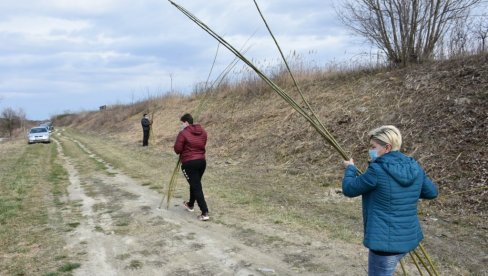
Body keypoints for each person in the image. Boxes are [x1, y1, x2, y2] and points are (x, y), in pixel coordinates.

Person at [342, 125, 438, 276]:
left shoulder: (376, 170)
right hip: (408, 240)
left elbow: (349, 189)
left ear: (387, 147)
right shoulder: (415, 167)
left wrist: (350, 169)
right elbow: (431, 192)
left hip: (384, 245)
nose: (371, 150)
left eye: (373, 147)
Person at [174, 113, 209, 221]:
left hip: (189, 163)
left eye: (182, 123)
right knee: (194, 183)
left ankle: (205, 212)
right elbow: (202, 144)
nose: (181, 125)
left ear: (186, 122)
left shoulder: (183, 133)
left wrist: (184, 148)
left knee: (196, 186)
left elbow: (177, 149)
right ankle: (190, 204)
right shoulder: (203, 131)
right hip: (201, 162)